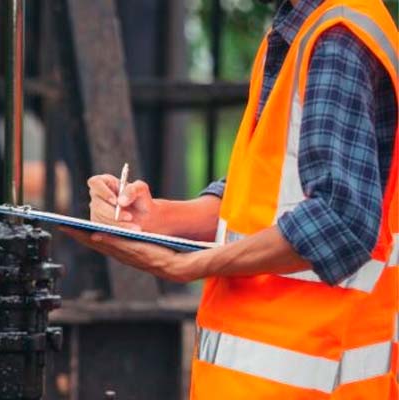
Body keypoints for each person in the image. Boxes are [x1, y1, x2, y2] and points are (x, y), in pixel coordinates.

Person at [62, 0, 398, 398]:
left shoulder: (337, 41)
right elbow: (265, 195)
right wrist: (156, 218)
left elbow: (340, 220)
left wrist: (196, 264)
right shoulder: (301, 32)